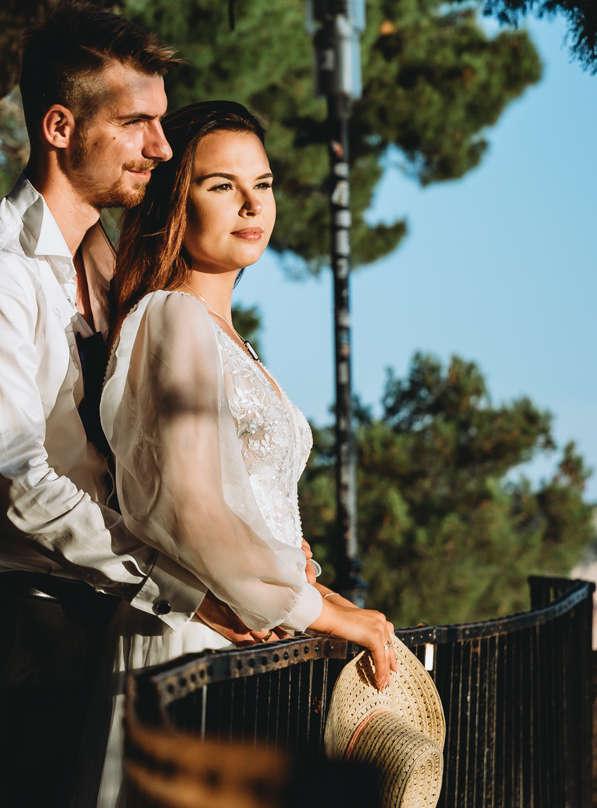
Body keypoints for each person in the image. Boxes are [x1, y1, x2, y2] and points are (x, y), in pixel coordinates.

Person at [0, 4, 265, 808]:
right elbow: (22, 483)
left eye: (162, 124)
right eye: (137, 123)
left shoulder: (103, 267)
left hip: (107, 627)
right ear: (60, 126)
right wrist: (180, 584)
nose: (161, 148)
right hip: (19, 637)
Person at [88, 99, 399, 801]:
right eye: (220, 185)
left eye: (262, 183)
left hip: (252, 642)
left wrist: (310, 586)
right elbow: (191, 509)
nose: (250, 203)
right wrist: (322, 609)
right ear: (176, 201)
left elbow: (248, 507)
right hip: (196, 647)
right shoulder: (173, 317)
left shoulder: (232, 343)